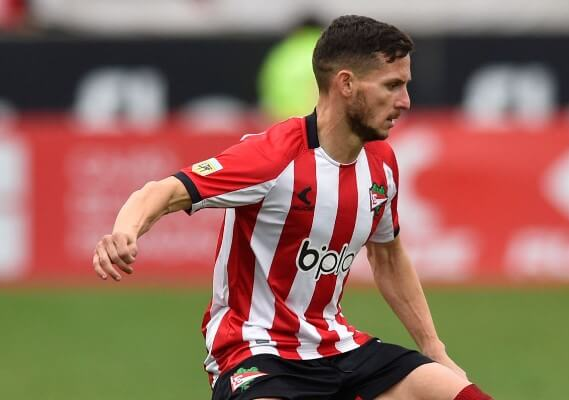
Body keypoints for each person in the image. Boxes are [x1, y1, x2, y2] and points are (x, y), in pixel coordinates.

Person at [92, 15, 493, 400]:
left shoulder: (381, 164)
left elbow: (388, 257)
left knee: (458, 393)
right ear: (346, 84)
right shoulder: (272, 157)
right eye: (392, 86)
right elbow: (162, 192)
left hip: (337, 348)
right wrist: (125, 232)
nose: (405, 101)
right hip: (255, 352)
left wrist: (435, 350)